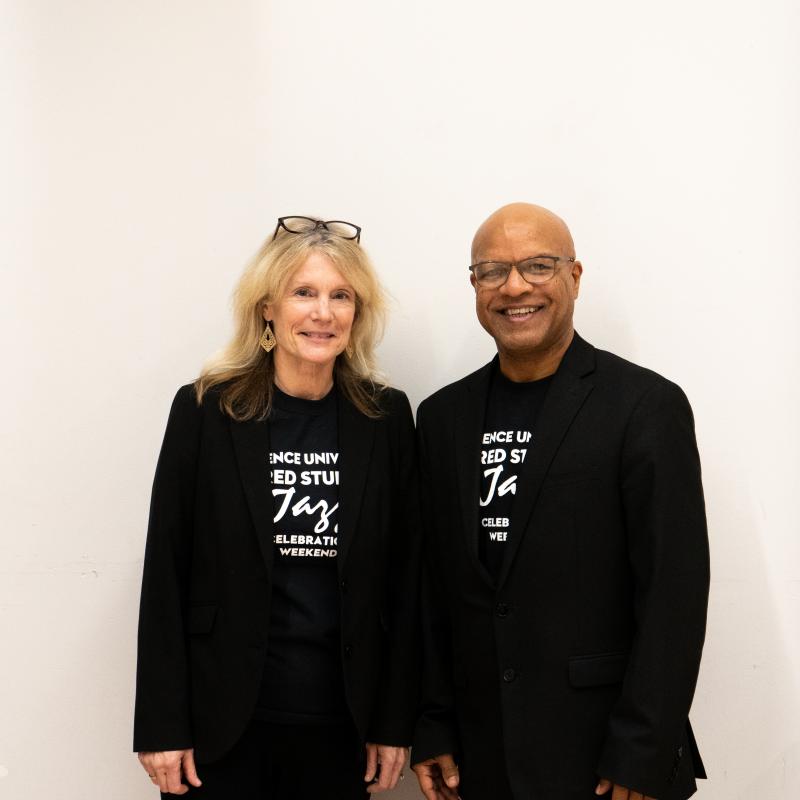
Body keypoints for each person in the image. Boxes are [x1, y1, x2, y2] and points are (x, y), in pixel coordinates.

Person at [411, 203, 709, 800]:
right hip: (481, 756)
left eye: (538, 266)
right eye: (492, 270)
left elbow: (673, 596)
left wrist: (641, 751)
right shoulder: (442, 418)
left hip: (604, 760)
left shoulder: (645, 407)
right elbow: (430, 590)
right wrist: (432, 723)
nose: (514, 286)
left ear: (575, 277)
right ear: (474, 286)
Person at [134, 216, 419, 798]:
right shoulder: (205, 411)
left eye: (341, 296)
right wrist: (161, 724)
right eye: (304, 293)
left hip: (344, 728)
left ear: (358, 313)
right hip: (221, 728)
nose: (323, 313)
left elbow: (406, 580)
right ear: (267, 307)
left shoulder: (386, 418)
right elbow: (166, 569)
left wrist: (394, 720)